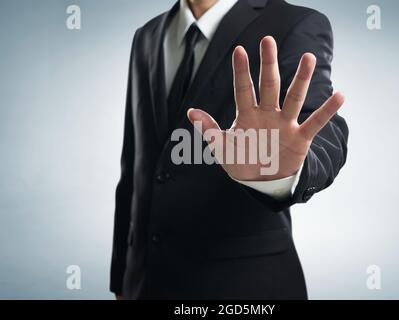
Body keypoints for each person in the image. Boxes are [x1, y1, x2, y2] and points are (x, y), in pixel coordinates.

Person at [111, 0, 348, 299]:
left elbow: (319, 128)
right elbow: (134, 166)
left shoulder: (295, 23)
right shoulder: (146, 35)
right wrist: (122, 279)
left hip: (244, 287)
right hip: (145, 285)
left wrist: (284, 171)